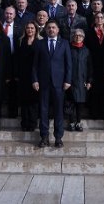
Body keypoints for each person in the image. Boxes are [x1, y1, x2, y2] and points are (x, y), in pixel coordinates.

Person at [32, 20, 72, 148]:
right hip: (43, 83)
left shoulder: (64, 43)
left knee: (58, 111)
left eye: (54, 27)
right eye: (49, 28)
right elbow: (34, 65)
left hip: (59, 84)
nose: (51, 30)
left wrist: (68, 80)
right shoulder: (39, 43)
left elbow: (69, 65)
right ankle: (44, 137)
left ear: (58, 30)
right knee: (43, 110)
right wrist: (35, 80)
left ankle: (58, 137)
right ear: (46, 30)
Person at [65, 28, 92, 132]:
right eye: (76, 35)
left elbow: (90, 67)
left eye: (80, 36)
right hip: (70, 80)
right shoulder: (68, 48)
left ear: (83, 38)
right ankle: (71, 122)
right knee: (70, 102)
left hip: (82, 80)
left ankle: (79, 122)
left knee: (80, 103)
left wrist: (89, 81)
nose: (78, 37)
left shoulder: (86, 50)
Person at [85, 11, 104, 120]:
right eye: (97, 17)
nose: (99, 19)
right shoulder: (89, 32)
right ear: (94, 20)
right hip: (92, 64)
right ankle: (94, 113)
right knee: (94, 90)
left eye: (101, 17)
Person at [16, 21, 40, 131]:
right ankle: (24, 123)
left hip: (35, 75)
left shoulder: (40, 42)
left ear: (36, 30)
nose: (30, 30)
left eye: (32, 28)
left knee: (33, 101)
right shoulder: (21, 41)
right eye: (28, 28)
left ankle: (32, 123)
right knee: (24, 100)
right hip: (23, 75)